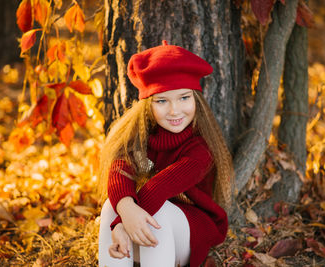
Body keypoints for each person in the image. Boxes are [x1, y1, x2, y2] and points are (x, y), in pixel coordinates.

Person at [98, 40, 233, 267]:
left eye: (184, 97)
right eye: (162, 100)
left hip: (191, 230)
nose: (174, 110)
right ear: (148, 104)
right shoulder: (142, 136)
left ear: (196, 99)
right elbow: (120, 169)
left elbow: (160, 187)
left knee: (157, 214)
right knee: (111, 206)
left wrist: (121, 224)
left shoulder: (201, 148)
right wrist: (124, 210)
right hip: (145, 225)